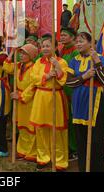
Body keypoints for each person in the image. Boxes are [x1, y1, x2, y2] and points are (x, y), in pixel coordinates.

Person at [66, 32, 104, 172]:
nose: (78, 44)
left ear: (91, 43)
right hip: (79, 103)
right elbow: (69, 83)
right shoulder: (74, 60)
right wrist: (84, 77)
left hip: (95, 104)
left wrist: (97, 61)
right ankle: (83, 168)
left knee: (96, 140)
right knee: (81, 140)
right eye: (77, 41)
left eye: (82, 41)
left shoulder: (100, 58)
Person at [23, 37, 69, 170]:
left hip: (55, 97)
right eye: (43, 46)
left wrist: (58, 68)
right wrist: (47, 76)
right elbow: (33, 78)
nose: (45, 48)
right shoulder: (38, 62)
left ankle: (60, 160)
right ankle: (43, 157)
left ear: (55, 47)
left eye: (48, 46)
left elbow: (63, 79)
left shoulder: (62, 61)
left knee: (58, 130)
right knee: (41, 129)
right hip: (41, 97)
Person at [4, 44, 38, 162]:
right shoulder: (19, 65)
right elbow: (6, 67)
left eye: (24, 53)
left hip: (30, 100)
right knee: (21, 125)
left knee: (31, 127)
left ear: (31, 56)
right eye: (21, 53)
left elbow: (34, 85)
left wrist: (21, 96)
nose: (21, 55)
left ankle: (32, 152)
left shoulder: (34, 67)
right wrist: (12, 52)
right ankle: (22, 150)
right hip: (19, 100)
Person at [58, 27, 79, 160]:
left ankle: (74, 149)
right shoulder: (62, 50)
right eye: (62, 35)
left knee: (72, 120)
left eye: (65, 35)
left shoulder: (75, 52)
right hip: (63, 90)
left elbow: (74, 72)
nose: (62, 37)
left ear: (72, 37)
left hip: (72, 91)